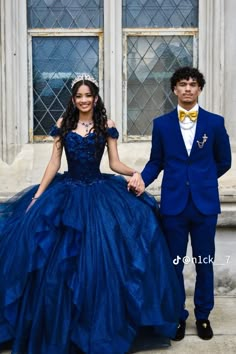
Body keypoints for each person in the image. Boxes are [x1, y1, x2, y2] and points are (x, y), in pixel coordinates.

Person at [0, 73, 181, 354]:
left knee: (107, 256)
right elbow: (53, 163)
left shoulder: (106, 126)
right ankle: (60, 325)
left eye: (88, 95)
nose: (84, 100)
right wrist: (37, 196)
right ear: (73, 100)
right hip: (67, 192)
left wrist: (138, 174)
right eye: (79, 96)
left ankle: (101, 321)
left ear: (95, 98)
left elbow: (114, 162)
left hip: (99, 192)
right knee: (55, 260)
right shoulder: (63, 125)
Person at [128, 66, 232, 341]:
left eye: (193, 84)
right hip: (173, 207)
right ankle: (177, 316)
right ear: (174, 89)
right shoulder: (161, 124)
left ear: (199, 89)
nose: (188, 88)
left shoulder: (215, 123)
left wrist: (202, 180)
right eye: (183, 84)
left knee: (204, 262)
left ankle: (203, 316)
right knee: (173, 264)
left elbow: (224, 161)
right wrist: (141, 180)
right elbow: (156, 161)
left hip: (204, 206)